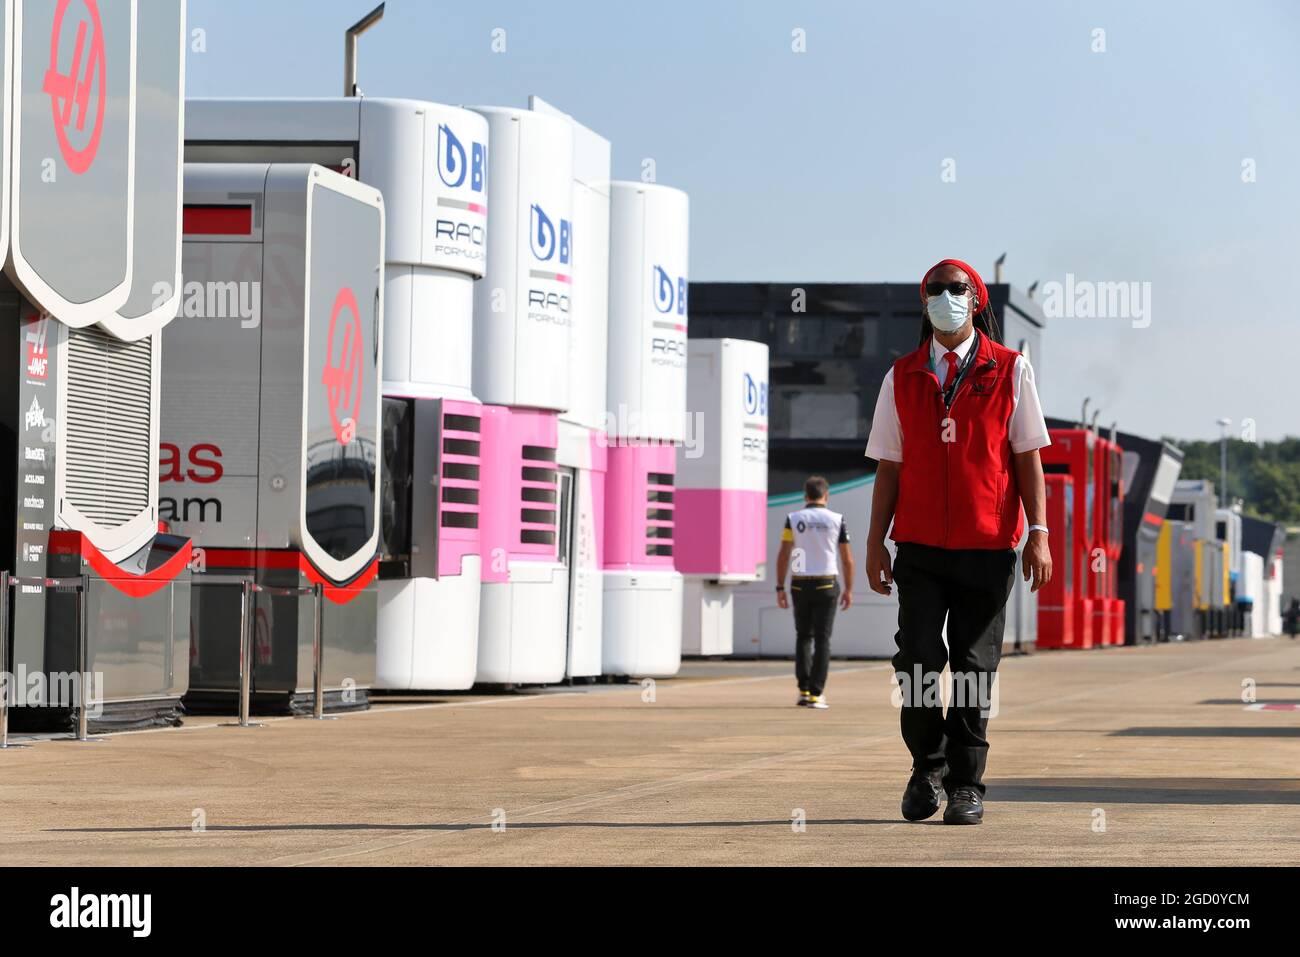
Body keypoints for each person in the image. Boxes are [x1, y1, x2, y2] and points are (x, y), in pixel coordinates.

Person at [864, 258, 1052, 825]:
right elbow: (889, 467)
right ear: (925, 303)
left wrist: (1038, 534)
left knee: (974, 667)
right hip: (919, 547)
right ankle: (927, 768)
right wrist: (876, 543)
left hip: (989, 545)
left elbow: (1028, 459)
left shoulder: (1011, 370)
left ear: (977, 302)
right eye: (936, 290)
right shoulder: (901, 376)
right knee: (918, 660)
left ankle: (967, 785)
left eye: (957, 289)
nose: (946, 297)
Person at [775, 476, 854, 710]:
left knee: (803, 636)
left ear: (805, 496)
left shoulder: (793, 519)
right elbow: (847, 559)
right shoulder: (837, 520)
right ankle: (817, 693)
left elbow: (784, 554)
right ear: (826, 496)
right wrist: (849, 589)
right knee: (823, 639)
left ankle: (803, 689)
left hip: (799, 584)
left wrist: (780, 586)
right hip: (827, 583)